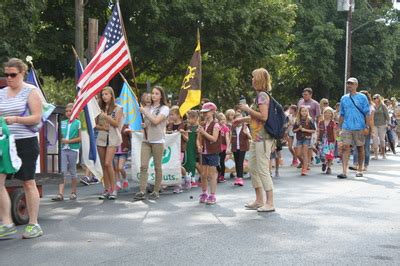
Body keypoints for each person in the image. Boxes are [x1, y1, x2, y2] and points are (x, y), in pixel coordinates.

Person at [0, 58, 43, 239]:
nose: (9, 78)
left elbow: (36, 118)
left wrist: (16, 119)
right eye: (6, 74)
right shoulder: (2, 93)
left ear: (22, 73)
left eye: (13, 75)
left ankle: (33, 224)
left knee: (28, 181)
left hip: (25, 141)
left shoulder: (31, 91)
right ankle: (7, 223)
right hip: (5, 142)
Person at [236, 68, 275, 212]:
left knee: (263, 169)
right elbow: (256, 116)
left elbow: (263, 117)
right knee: (253, 168)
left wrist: (247, 108)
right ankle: (259, 200)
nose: (251, 80)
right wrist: (242, 119)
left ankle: (270, 202)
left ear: (258, 79)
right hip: (256, 137)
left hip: (263, 138)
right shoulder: (259, 96)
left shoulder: (263, 96)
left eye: (253, 77)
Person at [134, 86, 170, 201]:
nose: (153, 95)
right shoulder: (147, 107)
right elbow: (148, 122)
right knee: (143, 165)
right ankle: (142, 190)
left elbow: (156, 121)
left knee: (157, 166)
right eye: (153, 93)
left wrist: (145, 112)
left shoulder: (164, 108)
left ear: (161, 96)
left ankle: (156, 190)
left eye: (156, 93)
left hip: (158, 140)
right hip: (146, 140)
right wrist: (144, 125)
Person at [337, 77, 370, 179]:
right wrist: (339, 127)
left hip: (359, 126)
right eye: (348, 83)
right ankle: (344, 171)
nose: (349, 85)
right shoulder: (344, 98)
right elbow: (341, 114)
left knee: (360, 148)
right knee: (345, 147)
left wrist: (367, 126)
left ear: (356, 85)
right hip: (347, 126)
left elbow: (367, 113)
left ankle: (360, 169)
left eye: (351, 84)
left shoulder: (362, 97)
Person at [96, 86, 123, 200]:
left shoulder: (118, 108)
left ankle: (114, 189)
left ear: (111, 95)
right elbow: (95, 125)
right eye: (102, 94)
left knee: (108, 163)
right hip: (101, 138)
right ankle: (106, 189)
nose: (104, 96)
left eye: (106, 94)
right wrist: (103, 128)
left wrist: (106, 117)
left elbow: (116, 123)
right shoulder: (100, 109)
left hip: (113, 138)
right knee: (103, 165)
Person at [52, 103, 81, 201]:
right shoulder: (62, 122)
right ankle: (60, 194)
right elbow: (58, 136)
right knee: (62, 171)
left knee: (73, 171)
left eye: (71, 111)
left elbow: (80, 138)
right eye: (67, 111)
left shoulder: (78, 123)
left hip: (73, 149)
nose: (68, 113)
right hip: (63, 149)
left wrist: (69, 141)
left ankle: (73, 192)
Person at [197, 102, 220, 205]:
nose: (205, 114)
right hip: (204, 152)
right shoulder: (202, 124)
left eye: (207, 112)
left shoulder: (216, 125)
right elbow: (198, 138)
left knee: (212, 174)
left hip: (212, 152)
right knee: (203, 174)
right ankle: (204, 192)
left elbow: (214, 139)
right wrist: (198, 146)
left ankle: (212, 194)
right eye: (203, 112)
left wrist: (204, 132)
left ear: (213, 112)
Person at [350, 90, 374, 171]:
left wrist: (371, 130)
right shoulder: (355, 105)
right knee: (357, 147)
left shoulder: (370, 107)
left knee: (366, 147)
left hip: (366, 128)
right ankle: (355, 164)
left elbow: (371, 120)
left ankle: (365, 165)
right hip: (357, 128)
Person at [166, 105, 189, 193]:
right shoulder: (169, 125)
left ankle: (178, 185)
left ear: (179, 115)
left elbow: (187, 139)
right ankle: (186, 177)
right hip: (170, 149)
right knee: (176, 166)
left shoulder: (184, 125)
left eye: (172, 114)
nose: (170, 116)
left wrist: (182, 133)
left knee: (177, 166)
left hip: (180, 149)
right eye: (170, 115)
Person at [297, 88, 321, 166]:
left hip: (311, 125)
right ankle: (303, 161)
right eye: (303, 94)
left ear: (311, 94)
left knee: (309, 145)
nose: (304, 96)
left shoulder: (315, 103)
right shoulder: (300, 102)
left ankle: (309, 161)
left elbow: (319, 116)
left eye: (306, 94)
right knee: (301, 144)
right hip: (300, 126)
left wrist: (319, 128)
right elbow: (298, 114)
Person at [293, 106, 316, 176]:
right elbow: (293, 130)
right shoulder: (297, 120)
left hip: (307, 137)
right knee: (298, 154)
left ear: (307, 112)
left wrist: (305, 130)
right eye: (302, 111)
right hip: (299, 138)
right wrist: (298, 129)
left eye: (305, 111)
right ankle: (304, 163)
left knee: (305, 153)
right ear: (300, 112)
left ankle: (304, 169)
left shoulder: (309, 120)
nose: (304, 112)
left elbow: (314, 130)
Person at [231, 112, 251, 186]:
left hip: (243, 147)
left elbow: (250, 137)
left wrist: (246, 132)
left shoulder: (245, 127)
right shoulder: (233, 127)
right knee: (236, 162)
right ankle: (238, 177)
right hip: (235, 147)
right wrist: (228, 147)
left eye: (240, 119)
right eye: (237, 119)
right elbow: (230, 137)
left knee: (240, 162)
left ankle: (240, 178)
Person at [317, 107, 336, 175]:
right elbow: (318, 131)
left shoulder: (333, 123)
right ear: (324, 114)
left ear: (331, 114)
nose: (327, 114)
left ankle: (329, 167)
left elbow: (334, 132)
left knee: (330, 154)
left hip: (330, 140)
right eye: (326, 113)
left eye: (329, 113)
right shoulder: (321, 122)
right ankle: (324, 163)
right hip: (322, 139)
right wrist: (317, 139)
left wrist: (335, 140)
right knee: (322, 154)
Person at [372, 94, 390, 160]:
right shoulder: (372, 106)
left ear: (379, 99)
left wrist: (388, 124)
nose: (375, 99)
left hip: (382, 124)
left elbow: (387, 116)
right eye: (374, 98)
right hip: (374, 125)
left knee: (382, 139)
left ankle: (383, 154)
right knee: (375, 139)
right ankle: (376, 155)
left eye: (376, 98)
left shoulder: (383, 106)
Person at [114, 124, 131, 192]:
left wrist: (129, 131)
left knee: (120, 167)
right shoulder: (113, 125)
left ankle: (125, 180)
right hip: (114, 150)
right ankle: (118, 184)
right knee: (115, 168)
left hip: (123, 150)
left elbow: (131, 136)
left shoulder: (125, 126)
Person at [216, 113, 231, 183]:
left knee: (222, 162)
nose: (223, 121)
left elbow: (227, 139)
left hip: (223, 148)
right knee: (216, 162)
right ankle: (219, 172)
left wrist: (228, 147)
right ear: (218, 120)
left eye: (224, 119)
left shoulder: (226, 128)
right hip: (216, 148)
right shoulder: (216, 127)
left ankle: (222, 176)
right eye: (221, 119)